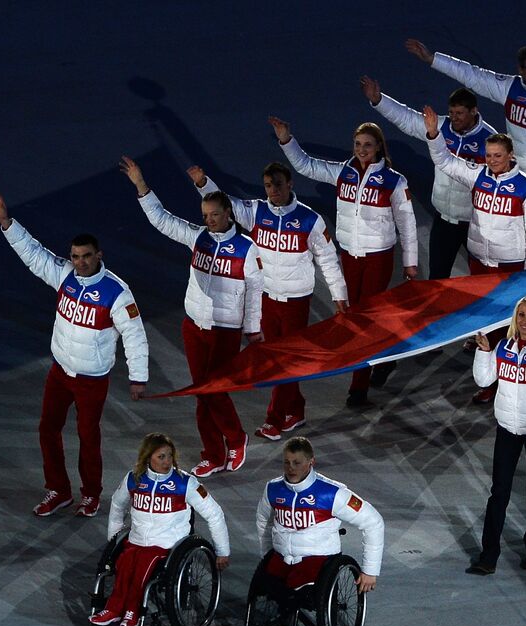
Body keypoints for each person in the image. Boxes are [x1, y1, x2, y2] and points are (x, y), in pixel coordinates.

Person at [0, 191, 149, 519]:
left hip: (92, 380)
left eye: (86, 256)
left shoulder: (117, 292)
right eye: (75, 256)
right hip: (60, 373)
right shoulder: (65, 277)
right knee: (48, 429)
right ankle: (59, 490)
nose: (80, 262)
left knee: (88, 437)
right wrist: (7, 223)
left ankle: (90, 494)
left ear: (99, 255)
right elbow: (34, 255)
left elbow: (134, 335)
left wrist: (138, 376)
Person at [120, 157, 263, 476]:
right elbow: (162, 219)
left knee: (213, 389)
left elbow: (254, 292)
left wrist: (253, 331)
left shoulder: (247, 249)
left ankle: (237, 439)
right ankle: (212, 454)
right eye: (205, 216)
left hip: (224, 330)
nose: (210, 221)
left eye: (215, 215)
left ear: (228, 214)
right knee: (202, 392)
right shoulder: (197, 237)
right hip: (193, 327)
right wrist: (141, 186)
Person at [185, 161, 347, 440]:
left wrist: (339, 294)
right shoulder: (256, 212)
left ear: (290, 185)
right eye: (268, 186)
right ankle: (295, 409)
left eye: (278, 185)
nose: (273, 191)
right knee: (278, 360)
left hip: (295, 302)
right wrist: (203, 184)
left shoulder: (310, 220)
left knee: (282, 361)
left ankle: (275, 419)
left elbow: (328, 259)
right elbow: (226, 206)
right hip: (264, 300)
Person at [270, 116, 419, 407]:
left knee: (360, 321)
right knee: (358, 317)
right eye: (357, 144)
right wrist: (287, 140)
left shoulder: (394, 181)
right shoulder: (343, 173)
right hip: (349, 257)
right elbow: (306, 166)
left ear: (378, 147)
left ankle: (358, 387)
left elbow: (408, 224)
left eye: (367, 145)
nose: (362, 149)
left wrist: (410, 262)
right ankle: (386, 359)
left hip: (378, 259)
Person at [406, 39, 526, 262]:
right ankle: (519, 283)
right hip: (516, 175)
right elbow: (472, 75)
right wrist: (432, 59)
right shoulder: (510, 88)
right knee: (514, 234)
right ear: (521, 70)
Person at [89, 433, 231, 626]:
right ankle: (112, 610)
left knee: (142, 567)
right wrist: (113, 539)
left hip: (167, 545)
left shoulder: (185, 483)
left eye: (169, 456)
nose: (167, 462)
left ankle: (132, 613)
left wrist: (222, 551)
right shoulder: (134, 479)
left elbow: (215, 514)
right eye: (161, 457)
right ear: (148, 458)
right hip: (136, 541)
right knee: (124, 564)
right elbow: (117, 505)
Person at [467, 296, 526, 575]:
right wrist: (483, 352)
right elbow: (484, 380)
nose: (524, 321)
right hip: (507, 430)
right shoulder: (504, 347)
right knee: (499, 492)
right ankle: (488, 556)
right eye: (521, 315)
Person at [363, 76, 498, 279]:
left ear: (474, 111)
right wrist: (379, 100)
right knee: (437, 276)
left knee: (484, 277)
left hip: (476, 222)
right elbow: (407, 119)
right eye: (452, 112)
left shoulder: (489, 139)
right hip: (444, 219)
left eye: (460, 113)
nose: (454, 118)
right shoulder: (439, 127)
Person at [421, 105, 526, 273]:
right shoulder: (477, 175)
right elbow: (445, 161)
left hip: (510, 264)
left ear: (510, 155)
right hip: (478, 262)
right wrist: (434, 135)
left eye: (498, 155)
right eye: (488, 155)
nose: (492, 161)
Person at [256, 437, 385, 599]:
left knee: (295, 591)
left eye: (297, 463)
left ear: (311, 462)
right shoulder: (273, 489)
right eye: (286, 462)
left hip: (318, 559)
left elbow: (373, 522)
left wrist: (370, 571)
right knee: (267, 585)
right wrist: (267, 553)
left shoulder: (332, 493)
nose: (291, 468)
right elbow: (263, 520)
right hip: (282, 557)